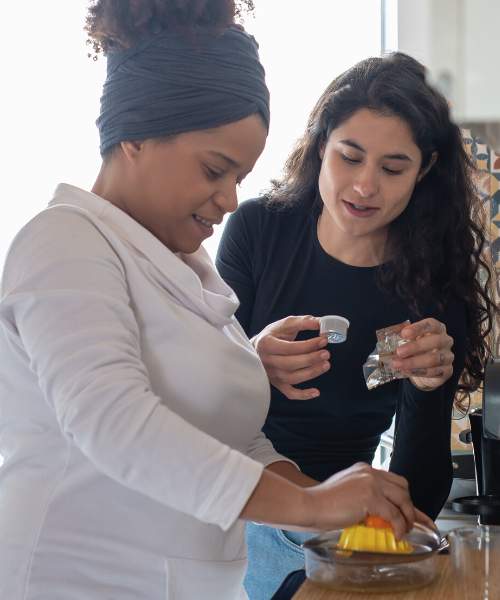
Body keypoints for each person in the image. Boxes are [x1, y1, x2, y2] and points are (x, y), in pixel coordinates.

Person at [0, 4, 431, 600]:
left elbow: (236, 440)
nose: (230, 199)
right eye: (214, 169)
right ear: (137, 134)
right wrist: (310, 504)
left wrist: (347, 505)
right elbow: (116, 423)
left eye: (239, 176)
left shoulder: (189, 270)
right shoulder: (65, 241)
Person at [216, 51, 497, 599]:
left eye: (393, 169)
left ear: (426, 170)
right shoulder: (258, 230)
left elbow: (417, 496)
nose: (365, 186)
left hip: (349, 530)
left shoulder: (431, 280)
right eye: (349, 157)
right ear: (321, 145)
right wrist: (248, 361)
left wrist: (426, 387)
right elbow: (196, 413)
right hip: (242, 508)